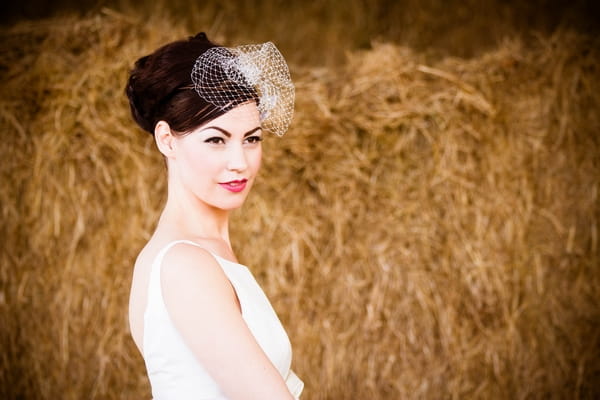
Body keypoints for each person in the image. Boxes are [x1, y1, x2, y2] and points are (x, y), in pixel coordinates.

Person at [125, 32, 303, 400]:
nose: (240, 163)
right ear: (167, 140)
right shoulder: (185, 264)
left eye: (251, 139)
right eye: (216, 140)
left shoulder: (203, 254)